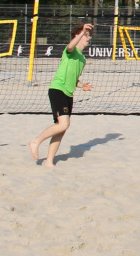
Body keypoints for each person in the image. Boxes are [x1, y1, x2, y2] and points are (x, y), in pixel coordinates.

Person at [27, 22, 94, 170]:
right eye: (86, 35)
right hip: (57, 90)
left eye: (88, 35)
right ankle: (36, 141)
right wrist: (83, 30)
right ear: (78, 36)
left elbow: (74, 78)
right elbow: (70, 46)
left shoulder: (82, 58)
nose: (88, 38)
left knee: (61, 128)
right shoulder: (70, 50)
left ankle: (49, 161)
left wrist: (82, 85)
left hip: (68, 93)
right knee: (64, 124)